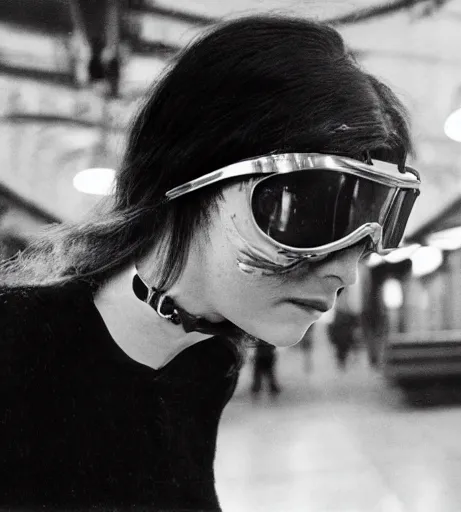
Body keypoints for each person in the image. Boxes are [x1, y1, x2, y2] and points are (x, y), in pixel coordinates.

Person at [0, 15, 420, 511]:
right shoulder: (14, 340)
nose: (345, 273)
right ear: (191, 175)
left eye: (376, 223)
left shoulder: (208, 361)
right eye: (309, 209)